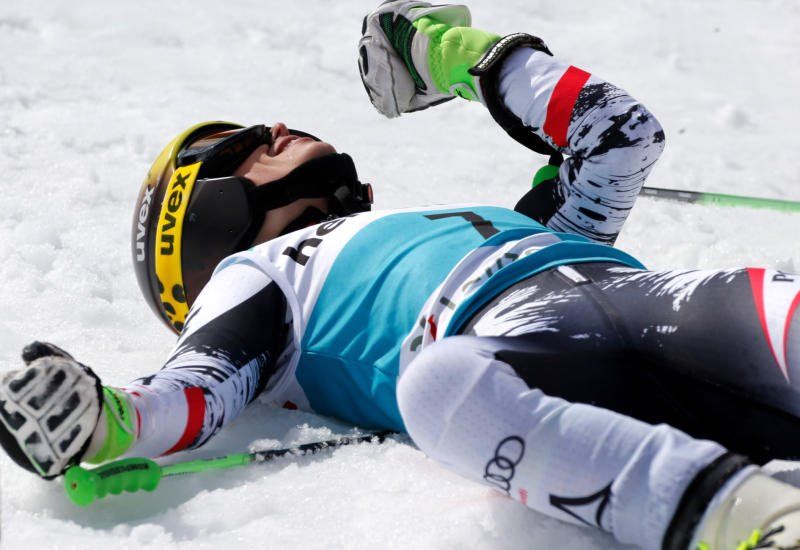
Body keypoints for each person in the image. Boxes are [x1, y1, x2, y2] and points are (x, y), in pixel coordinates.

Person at [1, 2, 799, 548]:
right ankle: (752, 519)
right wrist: (104, 419)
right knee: (439, 387)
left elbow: (618, 136)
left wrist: (446, 54)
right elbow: (197, 389)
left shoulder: (501, 223)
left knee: (773, 297)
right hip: (503, 356)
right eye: (241, 145)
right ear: (203, 215)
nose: (274, 126)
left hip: (641, 299)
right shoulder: (257, 274)